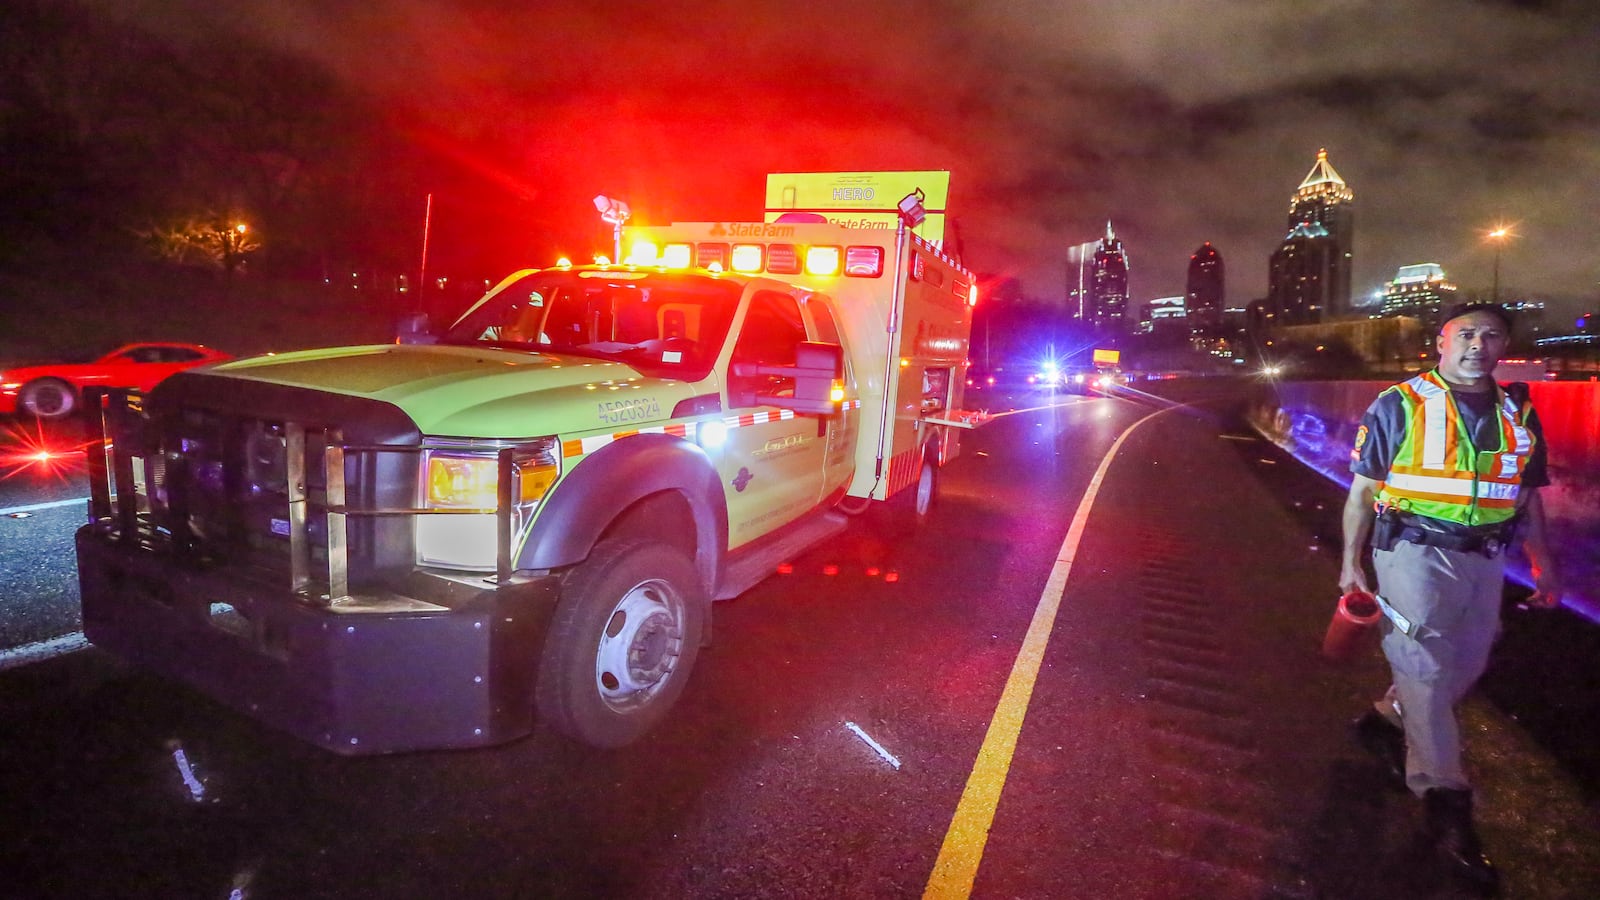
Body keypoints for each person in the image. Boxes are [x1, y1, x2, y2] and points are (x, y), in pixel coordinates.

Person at [1339, 301, 1563, 895]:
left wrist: (1544, 564)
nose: (1477, 344)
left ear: (1503, 347)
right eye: (1465, 333)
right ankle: (1446, 800)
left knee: (1470, 661)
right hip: (1412, 551)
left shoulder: (1519, 410)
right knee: (1428, 671)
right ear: (1439, 343)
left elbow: (1527, 495)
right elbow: (1362, 492)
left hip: (1485, 557)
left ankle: (1385, 719)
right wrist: (1349, 564)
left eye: (1491, 335)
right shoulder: (1401, 403)